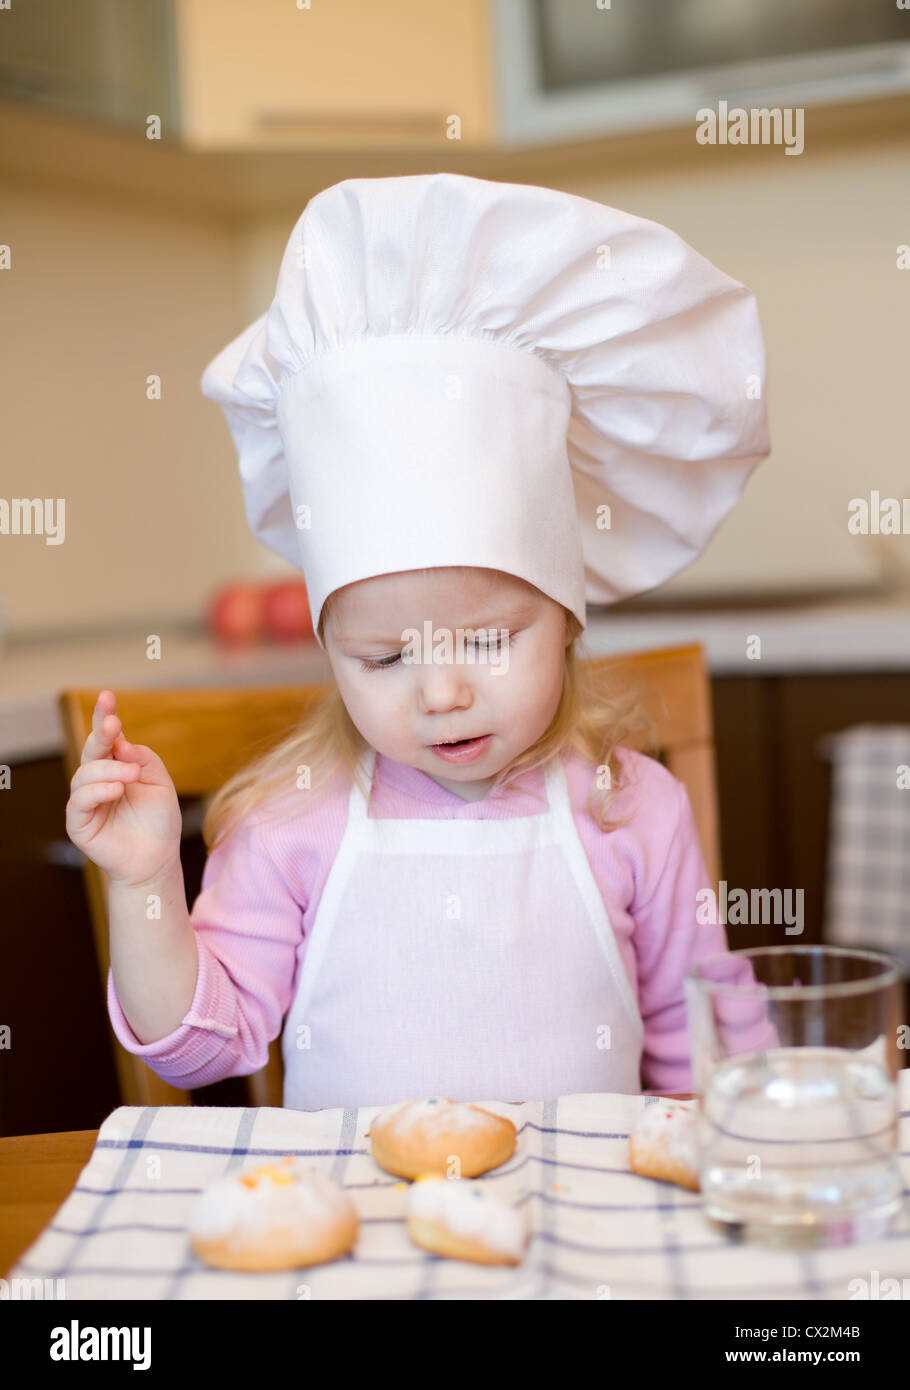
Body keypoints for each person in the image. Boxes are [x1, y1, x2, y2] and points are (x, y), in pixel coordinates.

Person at [65, 173, 774, 1109]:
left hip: (580, 1232)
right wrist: (148, 880)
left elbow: (705, 1041)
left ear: (565, 617)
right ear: (329, 651)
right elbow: (197, 1055)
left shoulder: (632, 809)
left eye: (487, 641)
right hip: (359, 1240)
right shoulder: (288, 823)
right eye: (386, 658)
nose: (440, 693)